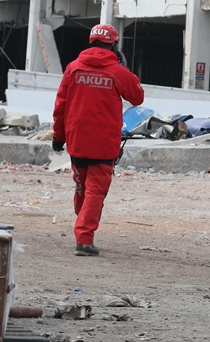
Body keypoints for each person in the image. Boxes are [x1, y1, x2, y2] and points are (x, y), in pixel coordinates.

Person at [51, 23, 144, 257]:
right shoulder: (118, 72)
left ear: (91, 42)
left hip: (77, 140)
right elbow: (138, 96)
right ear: (113, 44)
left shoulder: (72, 69)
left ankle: (83, 222)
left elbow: (60, 105)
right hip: (104, 143)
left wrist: (58, 137)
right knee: (95, 191)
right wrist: (125, 67)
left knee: (82, 187)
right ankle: (83, 238)